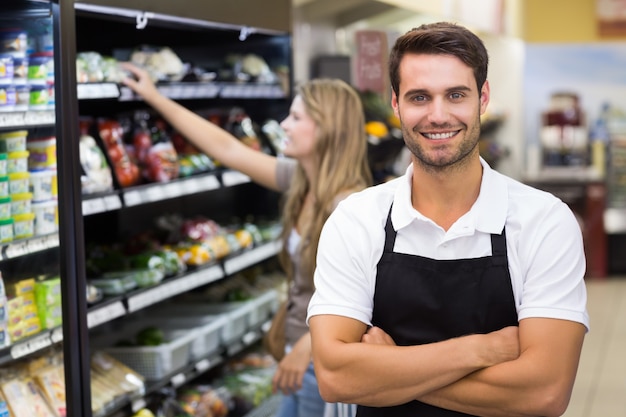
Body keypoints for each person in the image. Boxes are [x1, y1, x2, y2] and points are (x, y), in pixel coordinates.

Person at [307, 21, 589, 417]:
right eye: (419, 97)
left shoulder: (543, 221)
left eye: (455, 95)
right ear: (396, 104)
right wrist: (482, 350)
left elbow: (544, 393)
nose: (438, 115)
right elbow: (336, 378)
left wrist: (390, 371)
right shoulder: (357, 219)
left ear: (482, 98)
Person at [121, 63, 373, 417]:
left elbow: (365, 300)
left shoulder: (349, 206)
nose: (284, 125)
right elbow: (228, 148)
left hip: (322, 360)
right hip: (296, 356)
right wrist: (154, 97)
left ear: (327, 129)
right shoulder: (300, 181)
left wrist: (307, 346)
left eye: (296, 118)